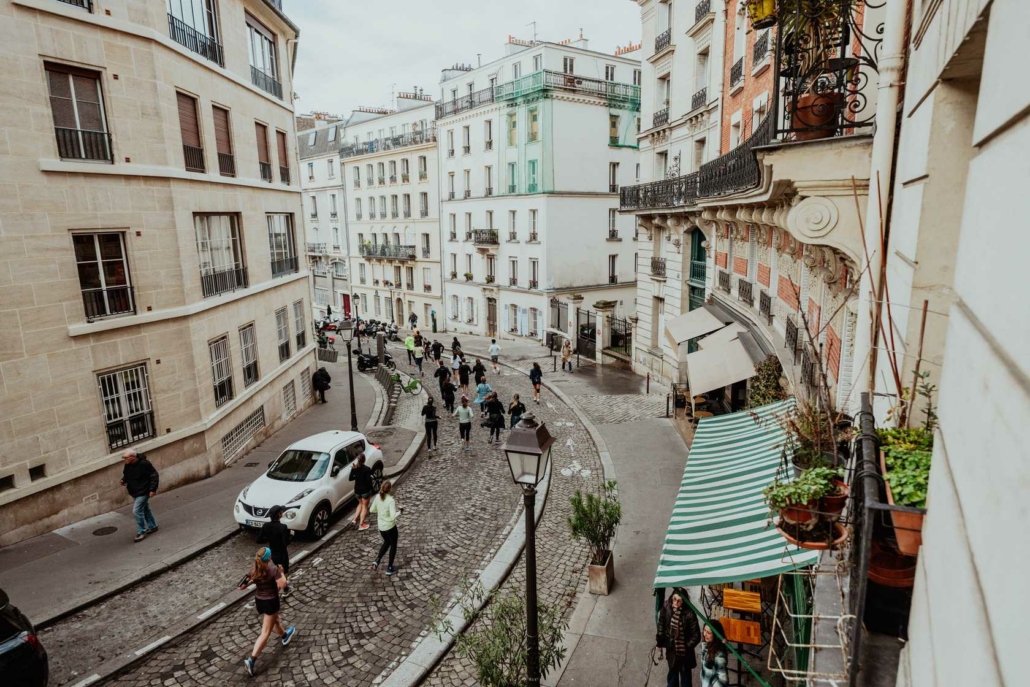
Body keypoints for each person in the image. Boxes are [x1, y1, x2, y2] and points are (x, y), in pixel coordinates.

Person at [239, 546, 297, 676]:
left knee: (275, 620)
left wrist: (251, 581)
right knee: (265, 632)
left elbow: (241, 586)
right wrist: (281, 572)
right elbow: (283, 585)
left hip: (260, 601)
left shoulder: (254, 570)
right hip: (271, 602)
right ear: (269, 558)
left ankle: (285, 636)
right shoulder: (273, 570)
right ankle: (252, 660)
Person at [656, 588, 701, 687]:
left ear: (684, 601)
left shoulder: (690, 614)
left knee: (685, 678)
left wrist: (685, 646)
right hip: (671, 648)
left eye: (679, 601)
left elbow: (696, 636)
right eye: (674, 599)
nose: (675, 602)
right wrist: (660, 642)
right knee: (672, 675)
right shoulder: (666, 606)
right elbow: (661, 624)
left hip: (684, 653)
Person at [121, 449, 158, 542]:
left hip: (144, 491)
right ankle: (153, 526)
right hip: (134, 491)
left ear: (133, 457)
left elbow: (154, 475)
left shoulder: (144, 464)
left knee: (136, 511)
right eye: (123, 458)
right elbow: (126, 474)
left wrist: (152, 489)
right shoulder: (128, 464)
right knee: (145, 509)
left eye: (126, 458)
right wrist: (124, 480)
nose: (124, 460)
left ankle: (141, 531)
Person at [258, 506, 293, 597]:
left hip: (273, 553)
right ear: (279, 515)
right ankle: (285, 590)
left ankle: (283, 587)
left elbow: (259, 540)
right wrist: (291, 535)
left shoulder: (266, 526)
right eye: (281, 512)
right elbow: (285, 543)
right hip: (282, 554)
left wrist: (270, 538)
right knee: (284, 572)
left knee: (279, 569)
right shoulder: (283, 527)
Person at [370, 480, 402, 576]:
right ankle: (390, 568)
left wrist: (381, 512)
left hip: (381, 527)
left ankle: (377, 560)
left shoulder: (377, 497)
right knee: (393, 545)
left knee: (386, 542)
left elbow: (372, 510)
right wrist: (400, 511)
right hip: (390, 527)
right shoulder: (390, 501)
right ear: (390, 489)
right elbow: (393, 517)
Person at [348, 454, 375, 531]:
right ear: (364, 460)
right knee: (365, 506)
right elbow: (368, 481)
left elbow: (350, 478)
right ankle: (361, 524)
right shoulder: (367, 469)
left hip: (357, 490)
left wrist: (356, 476)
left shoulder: (354, 468)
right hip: (365, 491)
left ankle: (355, 518)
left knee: (360, 503)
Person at [699, 620, 729, 687]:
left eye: (709, 632)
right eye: (704, 630)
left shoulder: (719, 655)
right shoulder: (707, 645)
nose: (704, 634)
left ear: (715, 635)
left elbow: (723, 681)